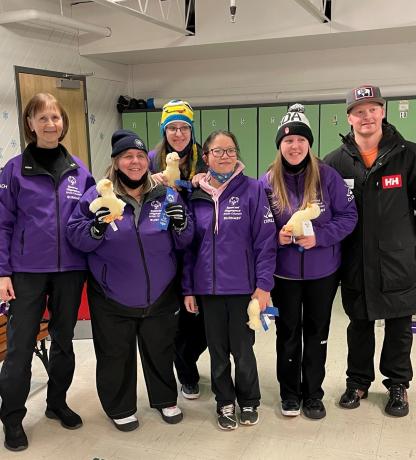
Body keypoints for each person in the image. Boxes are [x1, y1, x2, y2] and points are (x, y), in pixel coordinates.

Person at [67, 129, 193, 431]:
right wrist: (94, 231)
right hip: (111, 294)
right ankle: (120, 406)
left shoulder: (166, 193)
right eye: (127, 157)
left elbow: (186, 240)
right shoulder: (97, 196)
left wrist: (182, 223)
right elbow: (75, 235)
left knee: (160, 348)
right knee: (115, 353)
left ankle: (165, 399)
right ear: (116, 162)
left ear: (146, 161)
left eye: (139, 156)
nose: (134, 162)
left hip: (160, 292)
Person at [0, 93, 95, 452]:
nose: (50, 124)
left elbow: (90, 216)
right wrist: (2, 272)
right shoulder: (13, 170)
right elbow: (4, 224)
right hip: (26, 271)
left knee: (64, 341)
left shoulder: (79, 169)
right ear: (30, 123)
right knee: (20, 347)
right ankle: (12, 418)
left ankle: (57, 403)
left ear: (63, 122)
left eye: (55, 117)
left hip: (70, 270)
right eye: (42, 118)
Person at [324, 84, 416, 417]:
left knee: (399, 325)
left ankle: (397, 385)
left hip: (399, 260)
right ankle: (358, 381)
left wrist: (414, 248)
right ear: (349, 117)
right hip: (355, 260)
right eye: (359, 111)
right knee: (359, 323)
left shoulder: (409, 155)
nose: (367, 116)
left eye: (372, 108)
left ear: (383, 112)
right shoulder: (335, 163)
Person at [260, 104, 357, 420]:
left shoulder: (328, 176)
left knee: (317, 332)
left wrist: (319, 235)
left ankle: (313, 394)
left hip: (322, 273)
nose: (295, 146)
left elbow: (348, 215)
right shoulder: (267, 182)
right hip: (284, 275)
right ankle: (290, 394)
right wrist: (277, 236)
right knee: (287, 333)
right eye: (288, 141)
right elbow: (258, 226)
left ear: (309, 143)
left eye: (301, 140)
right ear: (280, 145)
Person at [183, 130, 277, 430]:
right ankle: (224, 401)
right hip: (208, 290)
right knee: (217, 351)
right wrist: (188, 288)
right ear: (206, 156)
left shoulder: (252, 190)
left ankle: (249, 400)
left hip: (241, 289)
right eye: (218, 151)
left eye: (230, 150)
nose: (225, 156)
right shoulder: (195, 195)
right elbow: (187, 247)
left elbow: (266, 242)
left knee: (243, 350)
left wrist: (263, 286)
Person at [149, 99, 207, 400]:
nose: (178, 133)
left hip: (201, 247)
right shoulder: (150, 159)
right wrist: (149, 181)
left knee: (202, 321)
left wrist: (203, 179)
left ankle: (191, 357)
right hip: (166, 248)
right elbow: (128, 187)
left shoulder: (205, 159)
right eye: (172, 127)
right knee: (178, 322)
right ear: (164, 130)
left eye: (184, 127)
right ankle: (185, 373)